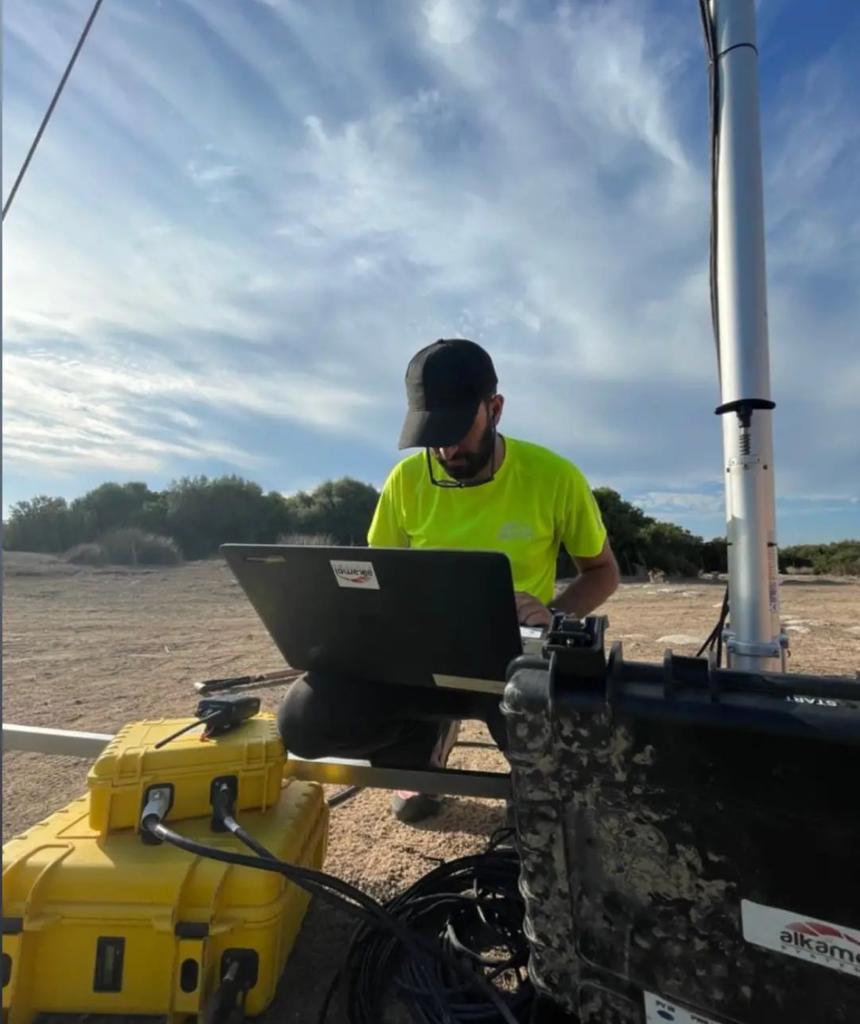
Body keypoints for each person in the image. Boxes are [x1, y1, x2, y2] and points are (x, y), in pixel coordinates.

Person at [278, 339, 620, 823]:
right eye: (432, 435)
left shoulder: (555, 477)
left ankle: (529, 782)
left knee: (552, 794)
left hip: (514, 662)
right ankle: (419, 745)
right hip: (416, 659)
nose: (446, 449)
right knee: (304, 722)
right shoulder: (405, 481)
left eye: (458, 430)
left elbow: (603, 572)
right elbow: (375, 577)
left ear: (495, 409)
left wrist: (553, 615)